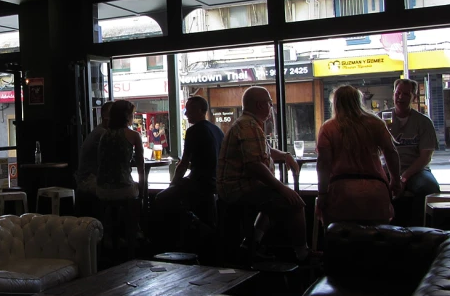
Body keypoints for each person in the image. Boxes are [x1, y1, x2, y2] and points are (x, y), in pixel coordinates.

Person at [217, 86, 315, 263]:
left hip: (237, 187)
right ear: (260, 105)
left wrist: (285, 155)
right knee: (295, 204)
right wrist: (282, 189)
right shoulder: (248, 126)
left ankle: (251, 243)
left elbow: (264, 151)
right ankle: (303, 253)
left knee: (272, 201)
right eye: (270, 103)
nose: (271, 107)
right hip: (238, 189)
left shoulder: (247, 123)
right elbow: (254, 165)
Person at [316, 85, 401, 226]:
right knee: (378, 239)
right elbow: (391, 152)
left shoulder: (328, 128)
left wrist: (322, 194)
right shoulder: (376, 123)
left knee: (341, 237)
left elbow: (323, 164)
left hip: (342, 192)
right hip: (375, 191)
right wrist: (395, 180)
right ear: (358, 101)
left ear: (336, 104)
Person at [155, 96, 224, 228]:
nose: (185, 113)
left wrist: (173, 184)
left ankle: (190, 225)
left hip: (198, 184)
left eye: (189, 110)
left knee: (161, 198)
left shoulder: (193, 131)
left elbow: (184, 164)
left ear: (199, 110)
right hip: (215, 184)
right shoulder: (218, 131)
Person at [382, 78, 440, 225]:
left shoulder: (423, 122)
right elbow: (371, 151)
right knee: (372, 187)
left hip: (416, 170)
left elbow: (425, 157)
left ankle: (418, 231)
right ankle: (382, 230)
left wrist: (403, 178)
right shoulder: (381, 119)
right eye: (398, 93)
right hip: (387, 168)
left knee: (429, 187)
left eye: (406, 94)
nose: (400, 97)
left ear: (414, 97)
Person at [97, 100, 145, 258]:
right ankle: (134, 237)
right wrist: (142, 191)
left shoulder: (104, 136)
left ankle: (112, 239)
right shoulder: (133, 135)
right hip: (123, 188)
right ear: (127, 116)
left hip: (102, 190)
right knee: (136, 196)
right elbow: (141, 167)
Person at [76, 101, 113, 196]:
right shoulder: (102, 134)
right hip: (89, 180)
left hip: (88, 178)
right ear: (106, 116)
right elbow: (113, 158)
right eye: (116, 115)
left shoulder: (100, 131)